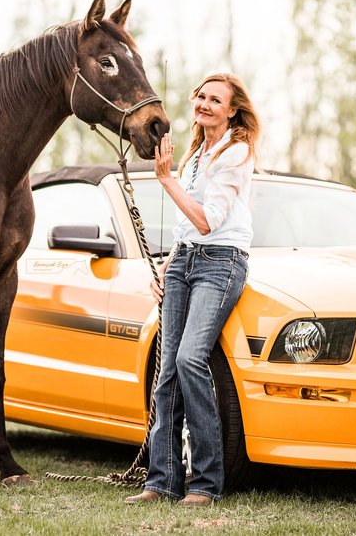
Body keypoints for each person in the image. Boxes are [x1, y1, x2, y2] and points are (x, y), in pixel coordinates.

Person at [125, 73, 260, 506]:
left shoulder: (236, 152)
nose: (203, 104)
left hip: (221, 263)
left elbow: (208, 220)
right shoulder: (197, 153)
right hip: (185, 260)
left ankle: (205, 483)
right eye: (200, 96)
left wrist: (166, 180)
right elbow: (189, 227)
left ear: (232, 110)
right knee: (166, 372)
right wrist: (167, 265)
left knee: (189, 358)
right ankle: (161, 481)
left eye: (214, 100)